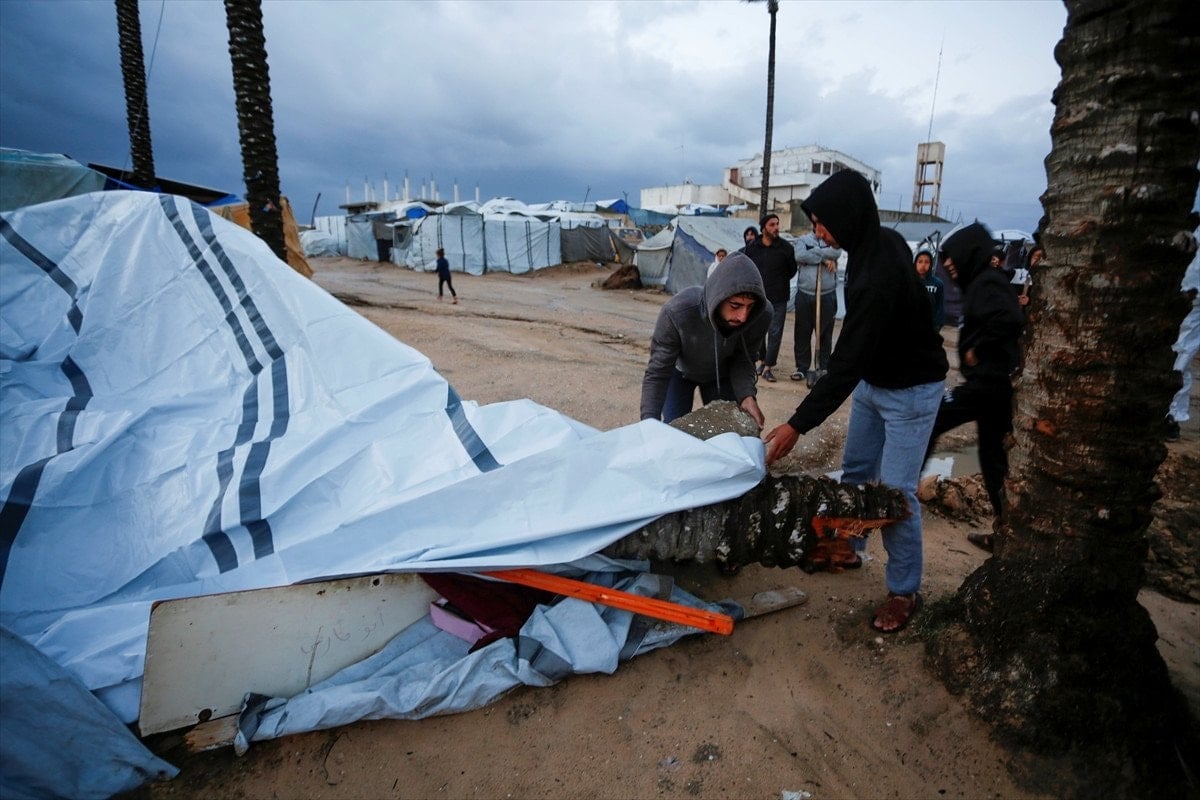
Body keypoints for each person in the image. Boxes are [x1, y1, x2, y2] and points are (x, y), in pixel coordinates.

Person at [762, 170, 948, 634]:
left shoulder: (877, 275)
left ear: (847, 218)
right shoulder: (876, 244)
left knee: (897, 493)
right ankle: (850, 548)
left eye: (821, 223)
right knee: (857, 471)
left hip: (912, 391)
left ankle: (904, 591)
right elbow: (858, 360)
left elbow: (844, 364)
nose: (818, 233)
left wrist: (796, 425)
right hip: (874, 383)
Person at [923, 223, 1026, 553]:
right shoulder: (981, 283)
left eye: (952, 257)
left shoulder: (987, 282)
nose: (947, 264)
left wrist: (978, 348)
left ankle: (900, 491)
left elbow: (1011, 319)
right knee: (993, 460)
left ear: (969, 253)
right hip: (993, 387)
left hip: (988, 384)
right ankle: (1008, 534)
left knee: (934, 416)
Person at [640, 251, 771, 426]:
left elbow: (744, 359)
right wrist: (648, 423)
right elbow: (658, 372)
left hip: (721, 375)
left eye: (750, 307)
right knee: (673, 429)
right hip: (680, 374)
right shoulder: (678, 312)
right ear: (719, 297)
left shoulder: (760, 315)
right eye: (735, 305)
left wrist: (746, 395)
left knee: (726, 431)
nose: (743, 317)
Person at [743, 213, 796, 383]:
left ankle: (768, 367)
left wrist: (778, 281)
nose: (776, 228)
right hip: (758, 297)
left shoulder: (786, 248)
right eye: (772, 224)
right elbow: (747, 268)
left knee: (775, 331)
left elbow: (792, 270)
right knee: (758, 330)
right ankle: (762, 360)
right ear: (764, 228)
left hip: (779, 297)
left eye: (777, 224)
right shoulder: (753, 247)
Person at [791, 232, 842, 382]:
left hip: (827, 294)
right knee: (802, 331)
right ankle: (802, 367)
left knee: (825, 332)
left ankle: (822, 367)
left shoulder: (833, 239)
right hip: (805, 293)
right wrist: (825, 259)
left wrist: (813, 252)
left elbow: (836, 253)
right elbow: (800, 256)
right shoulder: (803, 240)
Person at [1166, 217, 1200, 441]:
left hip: (1192, 294)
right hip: (1182, 290)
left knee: (1180, 354)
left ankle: (1170, 414)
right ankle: (1170, 414)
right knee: (1179, 353)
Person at [914, 245, 945, 331]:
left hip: (930, 327)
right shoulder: (910, 282)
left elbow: (940, 308)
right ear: (915, 263)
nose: (923, 265)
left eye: (926, 262)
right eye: (920, 262)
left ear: (931, 264)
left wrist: (937, 326)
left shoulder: (937, 284)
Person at [1009, 243, 1042, 312]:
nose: (1039, 261)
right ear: (1030, 258)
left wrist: (1030, 300)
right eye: (1036, 257)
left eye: (1042, 258)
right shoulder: (1019, 274)